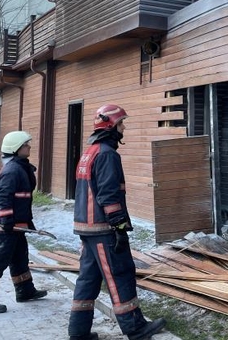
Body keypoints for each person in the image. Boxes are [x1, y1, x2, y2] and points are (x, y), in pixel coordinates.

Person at [68, 104, 166, 340]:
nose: (123, 128)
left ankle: (78, 332)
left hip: (86, 229)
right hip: (103, 229)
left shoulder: (89, 152)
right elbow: (109, 195)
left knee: (88, 279)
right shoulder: (107, 154)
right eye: (121, 123)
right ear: (110, 126)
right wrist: (119, 227)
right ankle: (136, 328)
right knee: (119, 275)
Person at [0, 130, 47, 313]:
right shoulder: (12, 171)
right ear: (16, 148)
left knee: (20, 258)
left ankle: (25, 291)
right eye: (25, 144)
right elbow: (3, 198)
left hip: (17, 225)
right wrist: (6, 220)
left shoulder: (19, 168)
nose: (29, 147)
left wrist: (25, 223)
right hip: (6, 226)